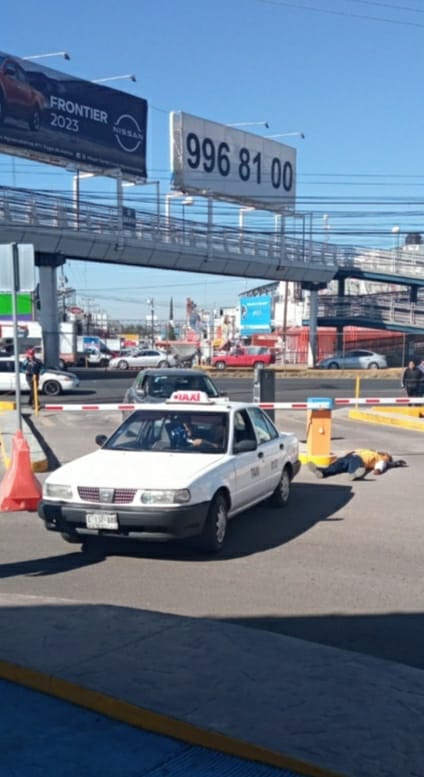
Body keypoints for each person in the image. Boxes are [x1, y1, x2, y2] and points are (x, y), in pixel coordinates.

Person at [307, 449, 407, 481]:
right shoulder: (370, 450)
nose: (386, 453)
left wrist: (378, 470)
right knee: (335, 467)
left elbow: (382, 464)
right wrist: (340, 458)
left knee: (356, 466)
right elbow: (353, 451)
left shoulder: (381, 459)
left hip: (359, 459)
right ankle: (321, 472)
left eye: (387, 455)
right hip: (349, 457)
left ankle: (354, 474)